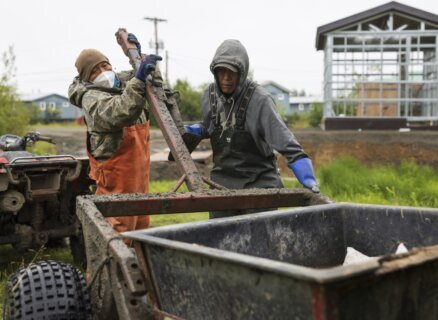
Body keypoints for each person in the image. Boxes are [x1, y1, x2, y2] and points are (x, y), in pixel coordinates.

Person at [186, 39, 320, 218]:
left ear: (241, 73)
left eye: (231, 73)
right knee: (221, 238)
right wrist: (198, 130)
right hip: (222, 185)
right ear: (215, 72)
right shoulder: (209, 96)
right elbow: (210, 126)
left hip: (259, 185)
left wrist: (308, 178)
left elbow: (286, 142)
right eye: (221, 72)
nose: (226, 78)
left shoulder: (260, 101)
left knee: (259, 239)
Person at [68, 34, 162, 234]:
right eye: (95, 71)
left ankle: (139, 264)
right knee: (118, 230)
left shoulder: (123, 84)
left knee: (141, 229)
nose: (103, 72)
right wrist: (138, 79)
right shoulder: (91, 97)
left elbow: (153, 81)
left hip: (139, 180)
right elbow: (120, 111)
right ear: (87, 78)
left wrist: (137, 55)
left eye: (105, 66)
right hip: (116, 182)